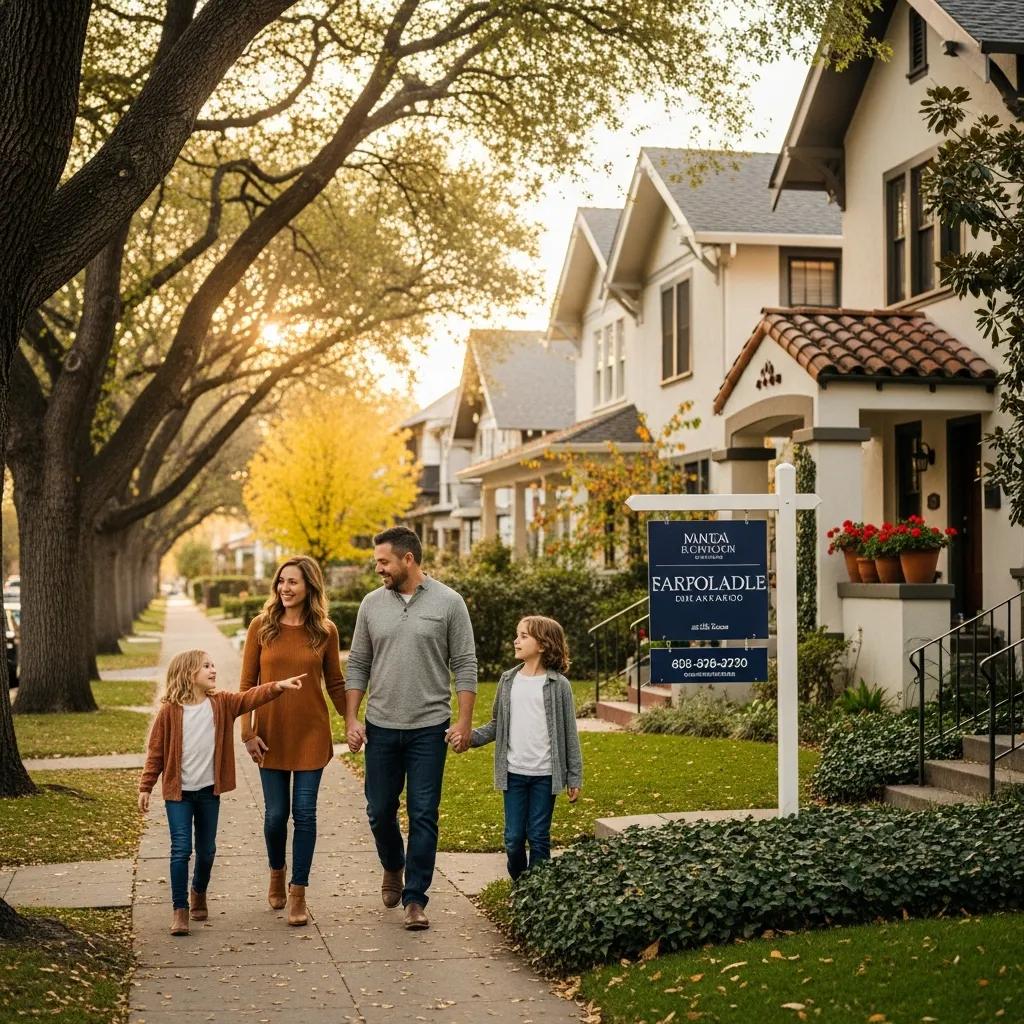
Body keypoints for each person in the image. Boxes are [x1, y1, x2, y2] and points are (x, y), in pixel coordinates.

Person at [344, 525, 477, 930]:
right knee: (379, 810)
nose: (378, 569)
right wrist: (351, 718)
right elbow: (358, 663)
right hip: (381, 726)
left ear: (408, 559)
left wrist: (465, 722)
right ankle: (393, 864)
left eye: (383, 562)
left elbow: (465, 665)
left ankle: (416, 898)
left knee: (423, 814)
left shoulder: (449, 603)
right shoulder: (371, 604)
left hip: (428, 729)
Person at [138, 649, 304, 936]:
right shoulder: (169, 712)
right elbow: (155, 752)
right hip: (178, 794)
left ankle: (198, 891)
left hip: (207, 792)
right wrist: (146, 786)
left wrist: (277, 686)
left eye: (214, 665)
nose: (213, 670)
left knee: (207, 850)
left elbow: (250, 697)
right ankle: (180, 910)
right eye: (206, 666)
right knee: (180, 849)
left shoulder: (221, 703)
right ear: (188, 673)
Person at [240, 555, 346, 927]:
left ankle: (298, 892)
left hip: (311, 733)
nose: (285, 588)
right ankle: (276, 871)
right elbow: (247, 685)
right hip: (270, 733)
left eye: (293, 582)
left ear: (309, 587)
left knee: (304, 814)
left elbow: (334, 682)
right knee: (274, 817)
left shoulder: (325, 631)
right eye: (281, 581)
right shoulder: (261, 627)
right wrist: (248, 733)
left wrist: (351, 720)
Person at [468, 616, 583, 881]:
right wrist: (470, 738)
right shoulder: (508, 681)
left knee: (539, 836)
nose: (515, 641)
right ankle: (521, 885)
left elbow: (569, 733)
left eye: (523, 636)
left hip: (546, 775)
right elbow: (497, 724)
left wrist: (574, 776)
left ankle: (538, 895)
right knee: (513, 839)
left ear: (542, 645)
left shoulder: (559, 686)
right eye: (517, 635)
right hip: (514, 774)